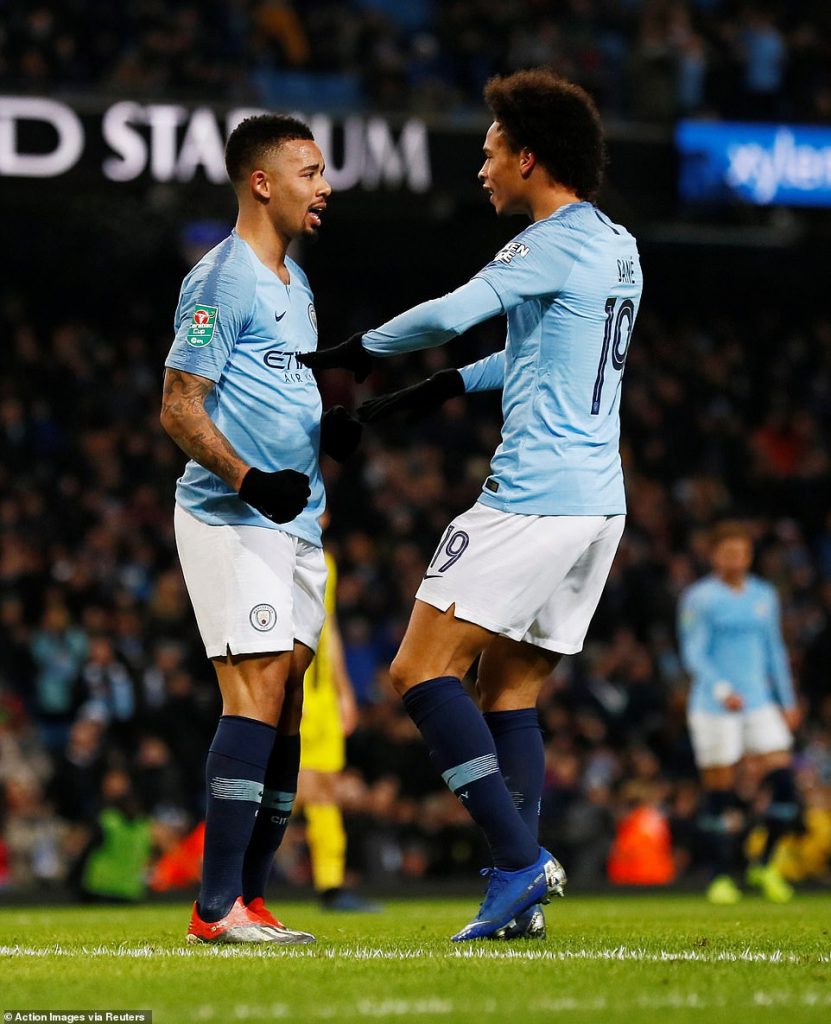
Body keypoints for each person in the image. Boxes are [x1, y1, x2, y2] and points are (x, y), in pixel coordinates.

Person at [300, 68, 642, 940]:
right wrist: (425, 393)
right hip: (598, 503)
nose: (481, 169)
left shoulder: (548, 242)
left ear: (528, 158)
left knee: (418, 671)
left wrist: (355, 353)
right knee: (508, 693)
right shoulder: (616, 244)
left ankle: (520, 862)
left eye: (490, 152)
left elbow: (455, 311)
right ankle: (516, 895)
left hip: (532, 494)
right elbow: (536, 356)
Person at [160, 113, 361, 944]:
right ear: (261, 181)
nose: (325, 186)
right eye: (309, 172)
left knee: (286, 703)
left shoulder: (296, 283)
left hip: (297, 521)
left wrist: (326, 431)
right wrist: (248, 479)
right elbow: (179, 405)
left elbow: (282, 393)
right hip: (231, 516)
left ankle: (251, 897)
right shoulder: (221, 279)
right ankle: (215, 908)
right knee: (256, 690)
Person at [678, 521, 801, 905]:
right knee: (721, 790)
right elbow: (693, 652)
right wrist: (721, 690)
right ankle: (720, 876)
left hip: (759, 701)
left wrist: (788, 700)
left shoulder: (764, 595)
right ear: (714, 555)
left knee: (785, 781)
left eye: (742, 552)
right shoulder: (699, 598)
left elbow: (774, 649)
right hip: (714, 705)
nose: (736, 559)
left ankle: (764, 864)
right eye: (728, 552)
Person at [297, 544, 380, 911]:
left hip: (323, 697)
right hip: (296, 690)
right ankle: (233, 878)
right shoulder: (279, 549)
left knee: (326, 790)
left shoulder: (325, 559)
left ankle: (330, 884)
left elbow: (327, 628)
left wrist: (343, 692)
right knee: (293, 789)